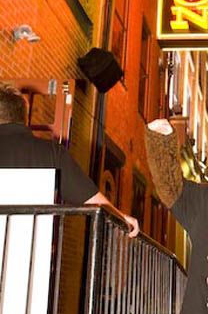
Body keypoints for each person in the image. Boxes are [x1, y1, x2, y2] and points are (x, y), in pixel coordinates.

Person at [0, 83, 139, 236]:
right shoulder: (51, 153)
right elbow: (91, 199)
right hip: (28, 248)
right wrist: (122, 218)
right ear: (24, 118)